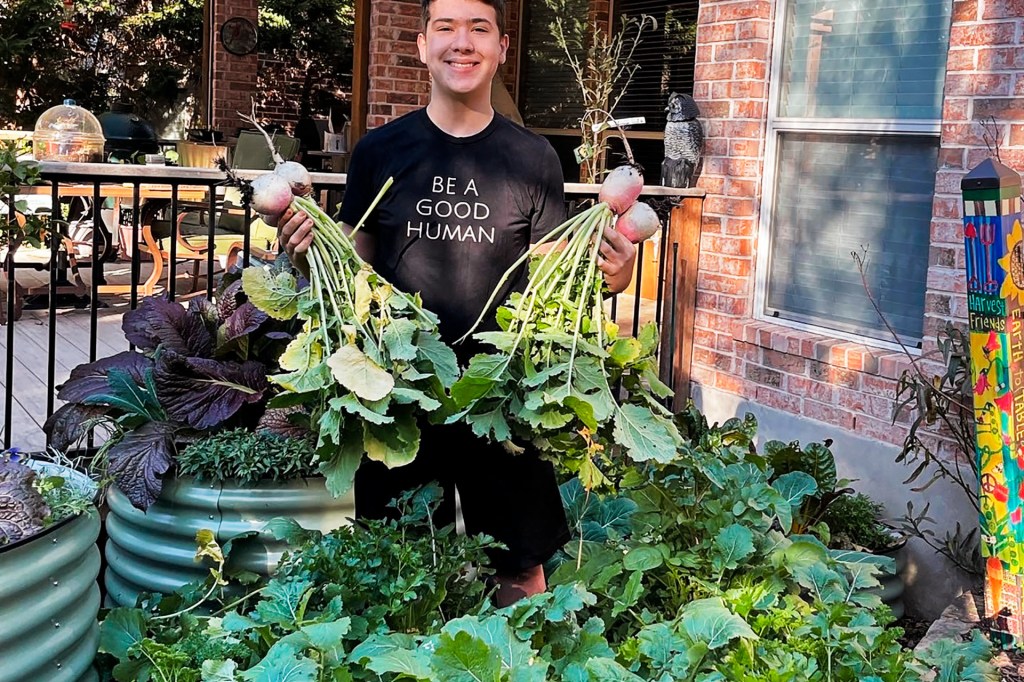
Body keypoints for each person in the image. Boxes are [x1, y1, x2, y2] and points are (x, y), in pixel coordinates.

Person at [274, 0, 637, 606]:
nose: (461, 43)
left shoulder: (534, 159)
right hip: (396, 393)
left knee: (519, 567)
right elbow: (351, 263)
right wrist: (305, 253)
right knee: (402, 568)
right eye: (445, 27)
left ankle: (517, 659)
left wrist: (617, 277)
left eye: (479, 29)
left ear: (500, 47)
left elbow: (556, 280)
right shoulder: (379, 152)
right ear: (421, 46)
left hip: (501, 391)